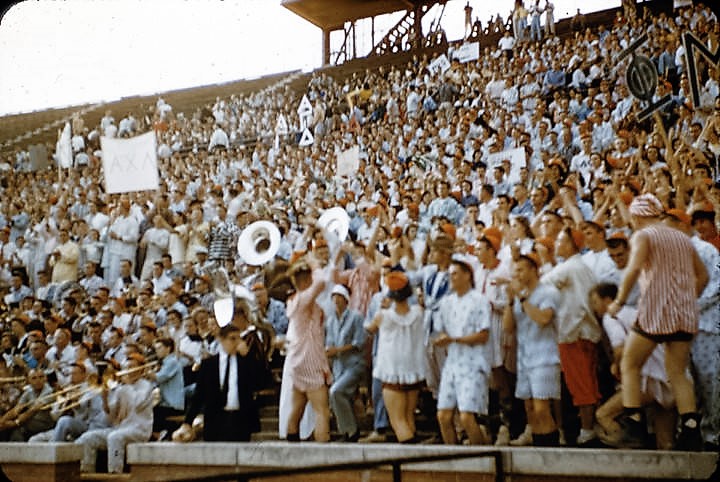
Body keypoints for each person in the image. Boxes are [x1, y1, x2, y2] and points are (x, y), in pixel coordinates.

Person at [607, 194, 708, 450]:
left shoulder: (644, 235)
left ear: (638, 216)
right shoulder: (682, 237)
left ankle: (634, 424)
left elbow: (633, 268)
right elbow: (703, 276)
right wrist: (686, 297)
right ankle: (691, 429)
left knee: (630, 363)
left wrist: (619, 301)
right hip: (684, 313)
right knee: (677, 372)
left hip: (655, 310)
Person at [503, 254, 561, 446]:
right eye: (514, 270)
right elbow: (508, 328)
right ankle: (538, 448)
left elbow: (544, 318)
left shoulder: (548, 292)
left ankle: (550, 451)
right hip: (524, 358)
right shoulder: (520, 297)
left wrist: (521, 298)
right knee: (529, 408)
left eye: (520, 270)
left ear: (533, 270)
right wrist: (510, 302)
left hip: (545, 356)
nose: (516, 274)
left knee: (542, 407)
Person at [433, 256, 491, 445]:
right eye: (450, 275)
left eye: (456, 274)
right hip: (452, 363)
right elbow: (440, 328)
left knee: (467, 417)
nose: (452, 278)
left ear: (467, 275)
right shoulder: (446, 303)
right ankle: (453, 457)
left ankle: (482, 457)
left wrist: (455, 339)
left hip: (473, 363)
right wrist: (442, 338)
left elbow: (483, 334)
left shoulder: (479, 300)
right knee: (443, 416)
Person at [174, 323, 260, 442]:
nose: (237, 342)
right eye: (232, 339)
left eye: (239, 338)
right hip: (216, 419)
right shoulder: (209, 364)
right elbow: (199, 395)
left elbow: (261, 381)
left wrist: (248, 356)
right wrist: (188, 422)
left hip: (240, 418)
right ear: (221, 339)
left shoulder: (245, 362)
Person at [366, 271, 425, 444]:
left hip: (391, 370)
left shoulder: (382, 316)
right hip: (412, 370)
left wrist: (383, 307)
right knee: (408, 418)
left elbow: (369, 329)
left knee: (398, 420)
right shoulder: (418, 312)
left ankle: (411, 458)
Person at [76, 353, 155, 473]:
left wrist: (127, 386)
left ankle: (114, 472)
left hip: (140, 430)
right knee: (87, 438)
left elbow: (138, 404)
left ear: (141, 370)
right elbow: (111, 416)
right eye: (127, 367)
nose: (128, 371)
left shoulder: (146, 386)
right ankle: (86, 471)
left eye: (132, 367)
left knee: (115, 438)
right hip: (120, 428)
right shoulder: (121, 388)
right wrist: (105, 399)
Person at [283, 256, 332, 442]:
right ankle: (323, 449)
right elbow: (321, 281)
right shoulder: (303, 298)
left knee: (298, 406)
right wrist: (314, 262)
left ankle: (291, 441)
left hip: (298, 358)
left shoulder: (294, 300)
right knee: (322, 410)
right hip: (309, 358)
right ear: (305, 280)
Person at [325, 284, 366, 442]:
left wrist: (339, 350)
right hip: (338, 366)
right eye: (334, 297)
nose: (336, 300)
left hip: (354, 364)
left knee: (336, 391)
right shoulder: (330, 321)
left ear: (345, 299)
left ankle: (351, 429)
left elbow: (359, 342)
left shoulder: (356, 317)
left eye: (339, 297)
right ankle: (347, 431)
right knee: (336, 394)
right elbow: (329, 343)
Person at [147, 337, 184, 441]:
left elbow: (160, 377)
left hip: (173, 405)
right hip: (165, 403)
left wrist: (149, 373)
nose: (157, 351)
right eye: (156, 348)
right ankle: (157, 435)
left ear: (168, 348)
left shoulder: (172, 362)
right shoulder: (164, 363)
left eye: (159, 348)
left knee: (153, 412)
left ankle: (157, 435)